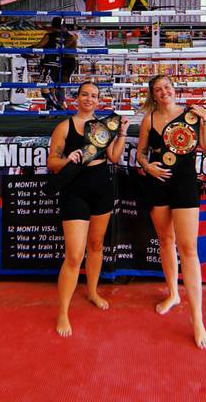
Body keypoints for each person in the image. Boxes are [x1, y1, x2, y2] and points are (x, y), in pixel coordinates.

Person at [136, 75, 206, 349]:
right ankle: (173, 294)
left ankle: (197, 320)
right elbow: (140, 154)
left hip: (184, 184)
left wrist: (205, 119)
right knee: (165, 241)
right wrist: (148, 167)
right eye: (158, 89)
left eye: (167, 87)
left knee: (189, 250)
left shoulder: (191, 116)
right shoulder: (148, 119)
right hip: (157, 183)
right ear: (153, 94)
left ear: (174, 89)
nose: (164, 92)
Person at [47, 81, 129, 337]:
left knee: (96, 246)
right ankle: (63, 311)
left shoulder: (103, 128)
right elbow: (51, 162)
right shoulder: (64, 126)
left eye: (94, 96)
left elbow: (114, 158)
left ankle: (92, 291)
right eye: (85, 95)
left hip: (102, 188)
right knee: (74, 255)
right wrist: (66, 159)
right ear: (77, 98)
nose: (89, 99)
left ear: (98, 100)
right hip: (75, 191)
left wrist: (123, 132)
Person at [33, 17, 77, 111]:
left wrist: (29, 48)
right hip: (60, 61)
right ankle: (53, 106)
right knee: (53, 84)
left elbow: (40, 45)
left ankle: (57, 105)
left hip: (64, 61)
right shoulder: (67, 35)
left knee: (56, 84)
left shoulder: (68, 36)